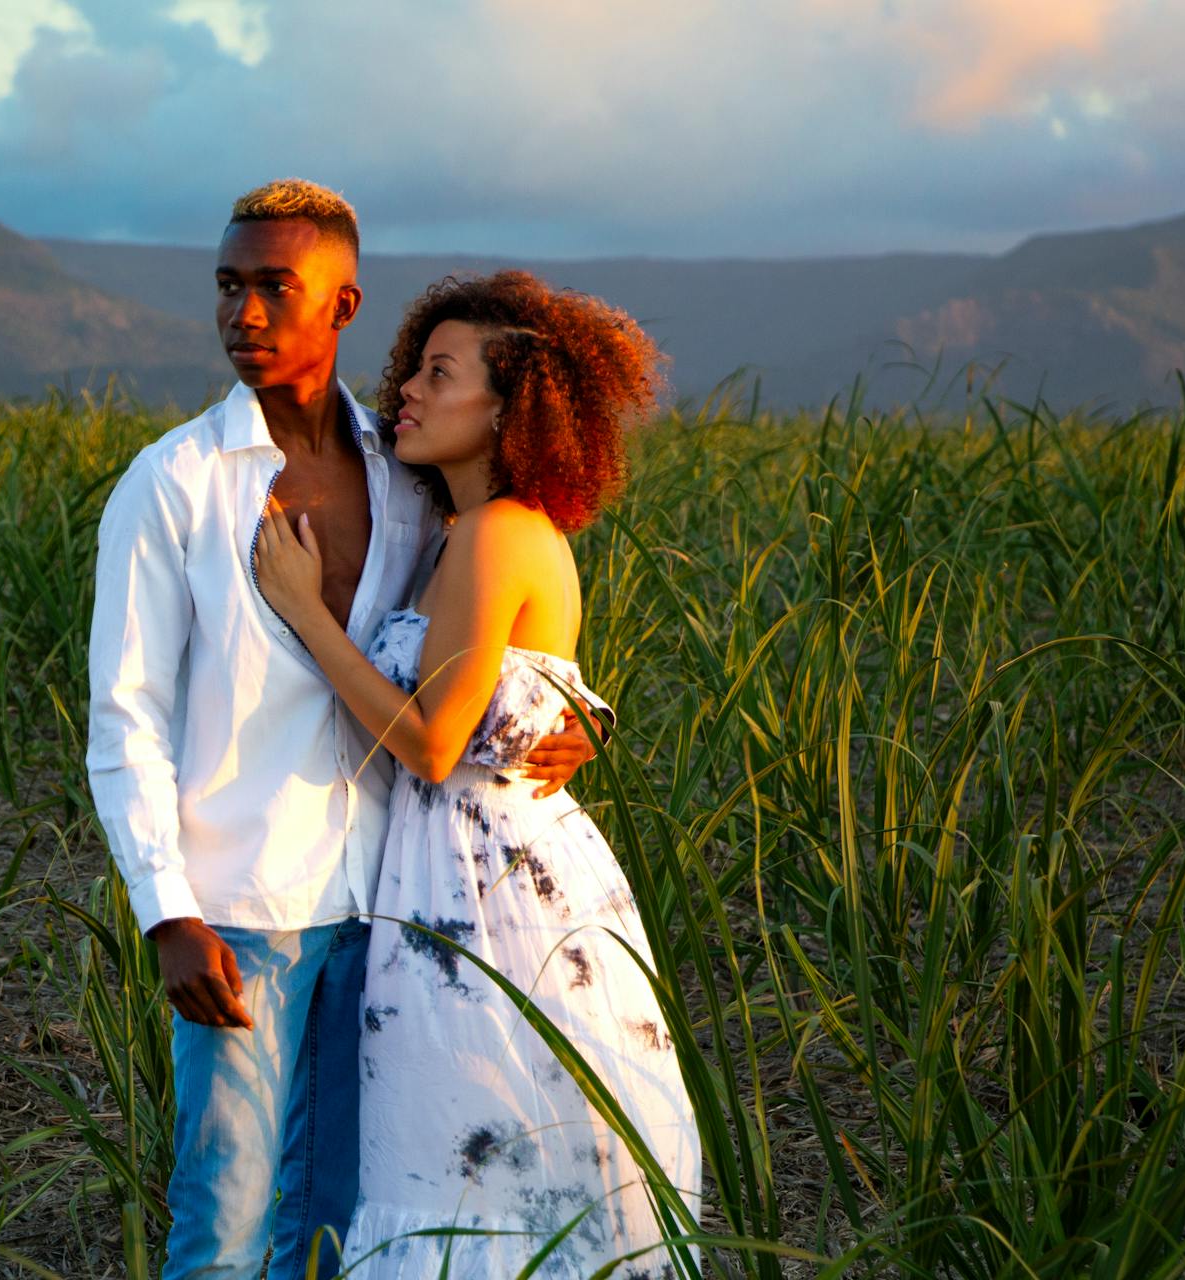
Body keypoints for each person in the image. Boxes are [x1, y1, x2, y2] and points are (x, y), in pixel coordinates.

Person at [85, 182, 601, 1279]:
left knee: (338, 1216)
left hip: (389, 898)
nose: (245, 314)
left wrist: (566, 719)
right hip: (242, 909)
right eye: (229, 286)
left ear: (344, 302)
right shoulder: (172, 484)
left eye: (276, 287)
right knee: (220, 1220)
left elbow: (480, 647)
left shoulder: (411, 480)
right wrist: (164, 909)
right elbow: (123, 714)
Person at [254, 271, 701, 1276]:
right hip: (465, 877)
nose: (406, 386)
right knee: (482, 1162)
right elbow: (524, 694)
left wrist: (304, 610)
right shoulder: (468, 529)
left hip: (487, 898)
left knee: (475, 1157)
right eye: (413, 363)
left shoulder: (500, 531)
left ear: (511, 407)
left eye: (439, 372)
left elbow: (435, 742)